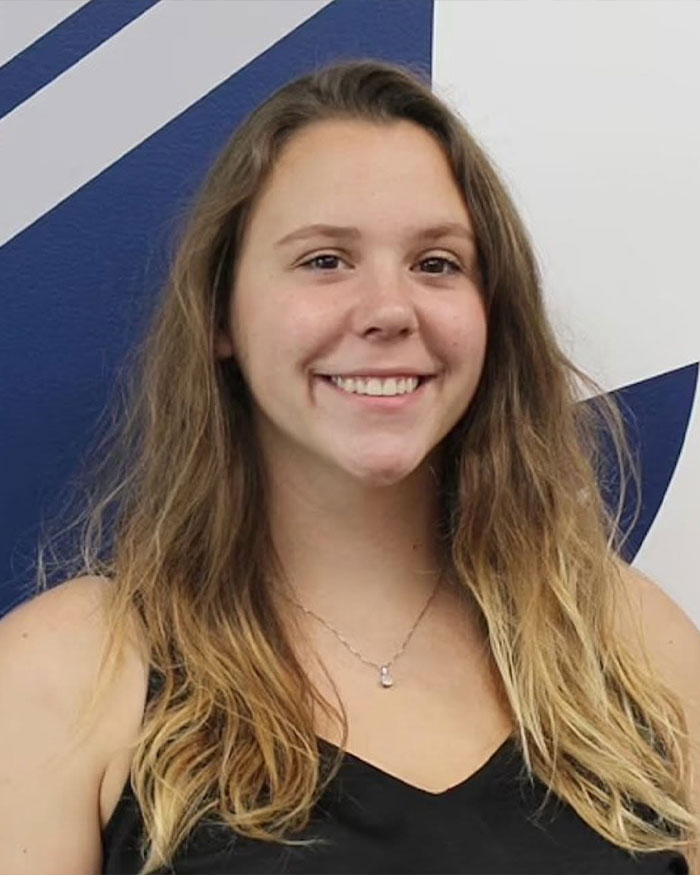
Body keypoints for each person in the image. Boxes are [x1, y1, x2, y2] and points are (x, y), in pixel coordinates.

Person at [0, 58, 698, 875]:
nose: (389, 310)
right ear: (221, 313)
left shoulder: (627, 638)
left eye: (437, 263)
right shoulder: (67, 674)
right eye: (325, 260)